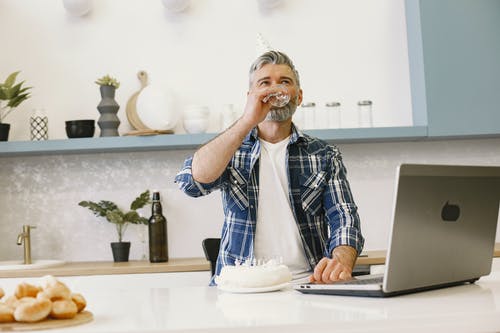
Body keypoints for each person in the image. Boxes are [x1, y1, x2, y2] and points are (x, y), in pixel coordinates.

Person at [175, 50, 364, 285]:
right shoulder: (232, 149)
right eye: (265, 83)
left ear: (299, 96)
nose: (275, 89)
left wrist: (341, 260)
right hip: (239, 288)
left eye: (285, 82)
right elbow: (191, 184)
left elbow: (344, 217)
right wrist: (247, 120)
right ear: (251, 96)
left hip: (308, 284)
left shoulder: (324, 155)